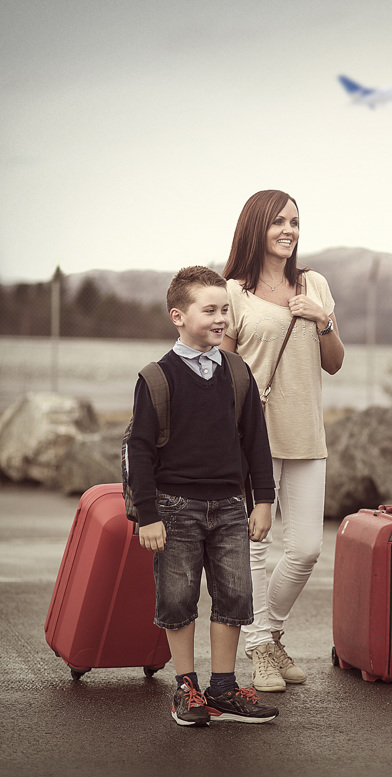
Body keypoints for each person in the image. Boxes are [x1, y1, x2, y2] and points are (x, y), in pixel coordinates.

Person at [127, 265, 279, 727]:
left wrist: (264, 500)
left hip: (231, 507)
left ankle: (225, 688)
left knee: (235, 596)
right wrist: (147, 515)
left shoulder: (237, 372)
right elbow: (139, 450)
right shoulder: (156, 378)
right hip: (175, 510)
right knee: (178, 599)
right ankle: (186, 688)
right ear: (178, 315)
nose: (220, 318)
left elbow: (256, 439)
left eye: (225, 310)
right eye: (209, 310)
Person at [221, 190, 345, 692]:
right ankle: (259, 651)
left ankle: (267, 635)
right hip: (253, 438)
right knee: (255, 547)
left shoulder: (314, 283)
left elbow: (333, 362)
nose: (289, 230)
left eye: (295, 221)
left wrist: (323, 319)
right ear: (256, 227)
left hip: (305, 433)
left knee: (307, 549)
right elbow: (224, 371)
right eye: (278, 222)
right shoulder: (233, 292)